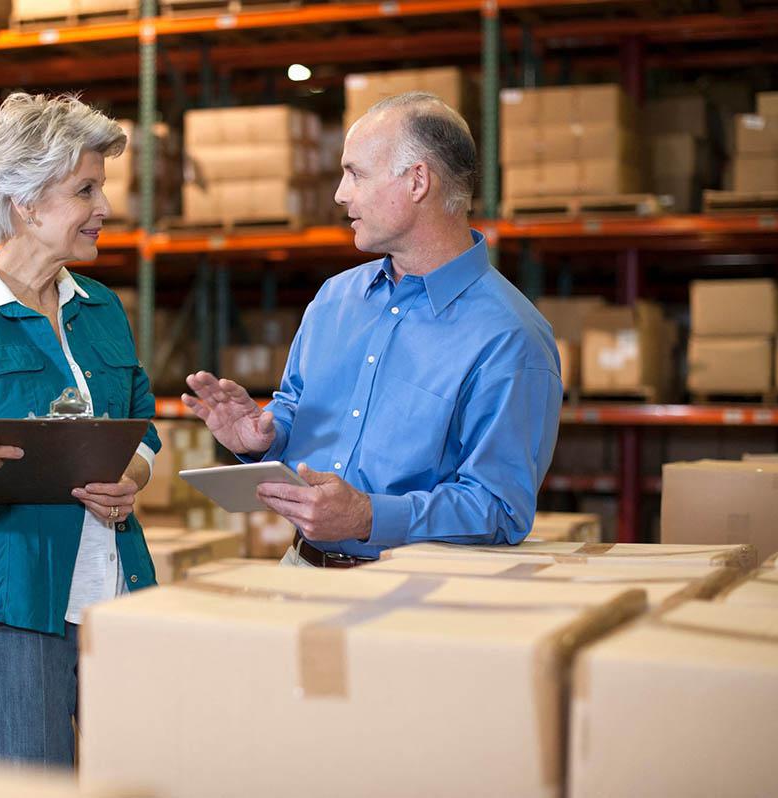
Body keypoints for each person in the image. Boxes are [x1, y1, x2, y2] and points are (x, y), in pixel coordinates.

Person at [182, 92, 562, 567]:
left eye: (355, 174)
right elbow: (297, 405)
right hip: (302, 566)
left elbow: (500, 509)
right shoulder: (334, 299)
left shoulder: (509, 337)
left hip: (417, 590)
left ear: (417, 181)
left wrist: (368, 517)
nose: (340, 194)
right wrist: (265, 437)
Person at [0, 93, 161, 767]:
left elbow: (143, 428)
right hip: (10, 609)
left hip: (119, 594)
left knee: (139, 776)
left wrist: (129, 477)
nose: (105, 207)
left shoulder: (102, 308)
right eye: (85, 190)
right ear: (25, 202)